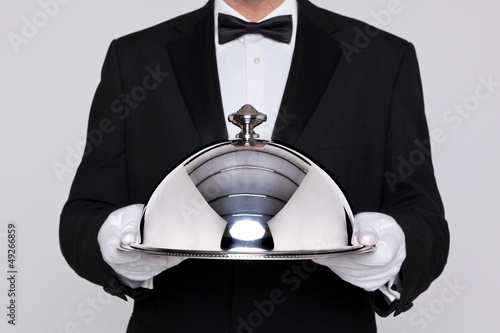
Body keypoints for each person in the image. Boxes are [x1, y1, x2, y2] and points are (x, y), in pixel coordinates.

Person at [59, 0, 450, 332]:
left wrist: (394, 249)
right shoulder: (135, 59)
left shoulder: (382, 60)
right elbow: (82, 215)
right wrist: (116, 245)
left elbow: (424, 217)